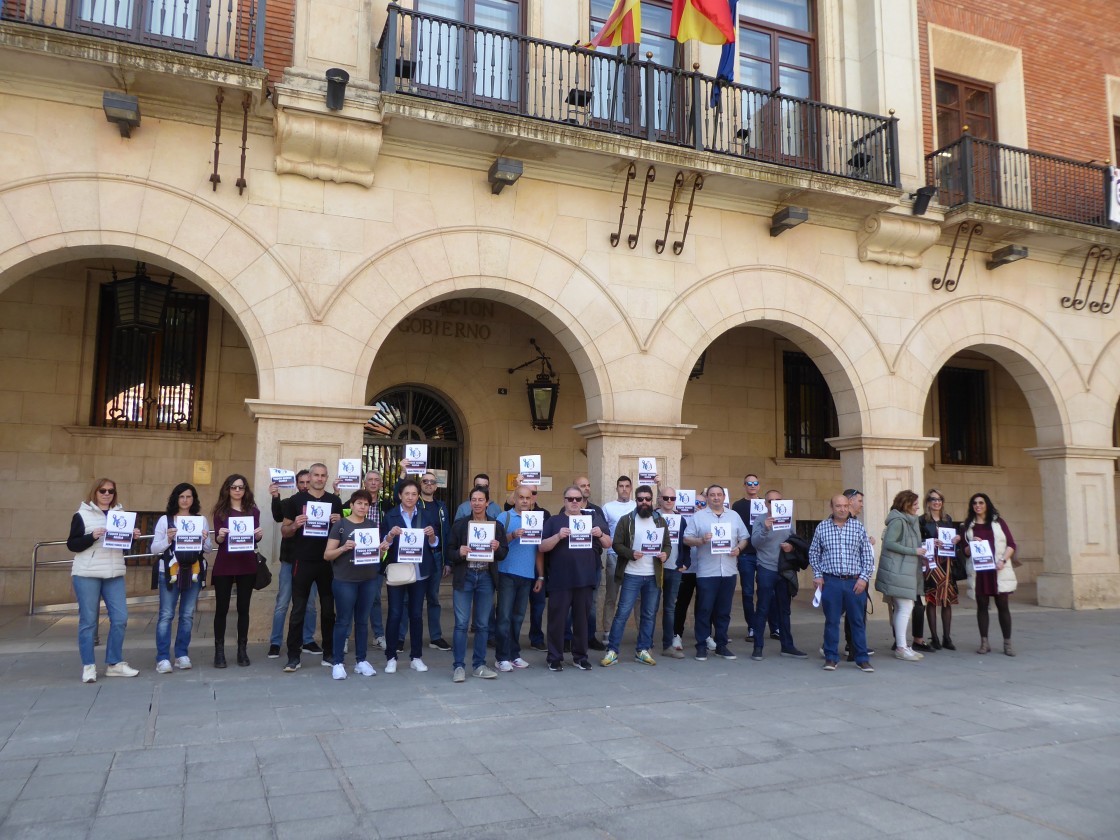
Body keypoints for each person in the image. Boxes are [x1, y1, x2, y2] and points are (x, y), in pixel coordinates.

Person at [66, 478, 142, 683]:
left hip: (114, 572)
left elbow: (123, 547)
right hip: (87, 573)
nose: (107, 494)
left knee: (120, 618)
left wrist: (132, 537)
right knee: (88, 622)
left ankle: (115, 663)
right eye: (102, 490)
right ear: (95, 492)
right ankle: (89, 666)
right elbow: (72, 544)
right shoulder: (81, 515)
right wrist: (91, 536)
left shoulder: (121, 515)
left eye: (110, 491)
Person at [537, 485, 611, 671]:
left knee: (582, 621)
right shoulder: (554, 521)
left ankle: (580, 656)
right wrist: (557, 536)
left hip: (584, 579)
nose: (574, 502)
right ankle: (554, 657)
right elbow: (541, 547)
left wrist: (600, 534)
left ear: (583, 501)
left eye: (578, 499)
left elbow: (609, 543)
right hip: (560, 580)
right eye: (570, 499)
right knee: (557, 621)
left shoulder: (592, 519)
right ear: (564, 501)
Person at [281, 463, 343, 672]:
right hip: (302, 561)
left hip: (327, 562)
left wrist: (339, 522)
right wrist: (295, 525)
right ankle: (293, 657)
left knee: (328, 611)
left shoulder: (334, 501)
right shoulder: (296, 500)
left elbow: (342, 532)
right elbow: (285, 531)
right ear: (310, 476)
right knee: (298, 609)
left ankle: (329, 653)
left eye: (322, 475)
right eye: (315, 475)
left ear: (327, 478)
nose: (318, 478)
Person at [601, 485, 670, 667]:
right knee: (622, 613)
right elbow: (616, 545)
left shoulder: (659, 521)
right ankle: (612, 651)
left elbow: (667, 545)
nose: (644, 502)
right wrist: (630, 553)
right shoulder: (626, 520)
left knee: (648, 614)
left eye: (647, 499)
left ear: (652, 500)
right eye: (641, 499)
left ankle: (643, 650)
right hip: (632, 574)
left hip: (652, 576)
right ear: (636, 500)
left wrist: (665, 554)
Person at [447, 487, 508, 681]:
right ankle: (458, 666)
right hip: (465, 576)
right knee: (461, 624)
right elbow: (449, 551)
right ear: (470, 502)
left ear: (487, 503)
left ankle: (479, 665)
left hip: (485, 577)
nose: (477, 503)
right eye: (474, 499)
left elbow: (503, 553)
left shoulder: (496, 525)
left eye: (481, 500)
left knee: (482, 624)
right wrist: (459, 553)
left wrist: (497, 548)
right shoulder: (459, 525)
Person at [381, 478, 441, 673]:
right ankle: (391, 657)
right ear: (400, 495)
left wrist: (432, 536)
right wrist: (390, 536)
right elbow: (382, 546)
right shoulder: (390, 516)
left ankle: (416, 656)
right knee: (395, 614)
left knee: (416, 614)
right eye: (406, 493)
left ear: (418, 496)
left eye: (414, 494)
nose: (410, 497)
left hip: (420, 571)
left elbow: (434, 544)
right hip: (398, 571)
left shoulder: (425, 514)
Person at [151, 482, 212, 674]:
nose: (185, 500)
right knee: (166, 615)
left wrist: (203, 539)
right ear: (176, 499)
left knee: (187, 614)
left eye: (189, 496)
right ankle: (162, 658)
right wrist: (168, 540)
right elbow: (154, 549)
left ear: (194, 499)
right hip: (168, 571)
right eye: (182, 496)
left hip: (193, 571)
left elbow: (209, 549)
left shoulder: (200, 520)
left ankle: (181, 654)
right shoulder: (165, 520)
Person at [810, 494, 876, 672]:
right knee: (831, 621)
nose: (842, 509)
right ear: (832, 508)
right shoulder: (822, 528)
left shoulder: (858, 527)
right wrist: (817, 575)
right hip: (831, 581)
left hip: (854, 582)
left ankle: (861, 658)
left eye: (845, 506)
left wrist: (864, 578)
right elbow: (814, 553)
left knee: (857, 621)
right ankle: (831, 657)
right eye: (838, 506)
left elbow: (867, 555)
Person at [683, 484, 749, 660]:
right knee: (704, 609)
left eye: (719, 495)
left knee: (724, 611)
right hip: (707, 571)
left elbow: (744, 538)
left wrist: (738, 549)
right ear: (708, 497)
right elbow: (686, 538)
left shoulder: (734, 516)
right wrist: (701, 540)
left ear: (724, 497)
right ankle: (701, 646)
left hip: (728, 571)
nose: (716, 498)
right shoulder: (698, 517)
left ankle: (721, 645)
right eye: (712, 495)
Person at [324, 489, 380, 679]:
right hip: (345, 580)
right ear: (352, 505)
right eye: (359, 503)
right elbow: (327, 554)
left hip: (368, 579)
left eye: (366, 504)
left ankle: (361, 660)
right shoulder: (340, 525)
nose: (363, 507)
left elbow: (376, 555)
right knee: (343, 621)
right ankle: (338, 662)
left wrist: (382, 547)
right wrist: (343, 547)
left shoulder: (372, 525)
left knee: (363, 622)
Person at [211, 474, 263, 668]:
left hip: (246, 563)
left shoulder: (253, 511)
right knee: (222, 609)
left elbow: (253, 539)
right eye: (234, 487)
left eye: (241, 487)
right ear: (228, 489)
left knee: (243, 608)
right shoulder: (220, 512)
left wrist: (258, 535)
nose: (238, 491)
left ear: (245, 490)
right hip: (225, 563)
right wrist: (221, 536)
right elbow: (218, 540)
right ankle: (219, 652)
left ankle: (242, 650)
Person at [747, 490, 804, 660]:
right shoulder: (760, 519)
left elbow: (795, 541)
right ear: (766, 504)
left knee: (784, 610)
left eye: (778, 500)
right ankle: (758, 647)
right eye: (771, 501)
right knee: (763, 608)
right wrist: (765, 528)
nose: (775, 503)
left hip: (784, 569)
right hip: (766, 568)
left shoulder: (788, 519)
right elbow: (755, 543)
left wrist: (791, 547)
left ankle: (787, 646)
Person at [267, 469, 317, 658]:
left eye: (307, 482)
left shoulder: (319, 504)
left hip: (311, 561)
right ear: (296, 484)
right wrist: (275, 496)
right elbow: (278, 516)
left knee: (311, 603)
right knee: (283, 602)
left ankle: (308, 640)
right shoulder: (290, 502)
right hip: (289, 560)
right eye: (301, 482)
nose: (305, 485)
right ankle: (275, 642)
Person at [961, 493, 1018, 656]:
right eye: (974, 503)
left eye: (981, 502)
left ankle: (1007, 643)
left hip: (997, 570)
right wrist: (972, 544)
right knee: (982, 607)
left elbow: (1011, 544)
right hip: (980, 572)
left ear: (987, 505)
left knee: (1003, 606)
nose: (977, 505)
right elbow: (964, 551)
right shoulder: (968, 526)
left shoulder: (998, 523)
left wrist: (1003, 561)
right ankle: (984, 642)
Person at [874, 490, 927, 663]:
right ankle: (901, 647)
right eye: (915, 504)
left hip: (903, 571)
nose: (918, 507)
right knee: (905, 608)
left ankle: (902, 645)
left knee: (902, 608)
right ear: (906, 504)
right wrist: (914, 551)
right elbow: (889, 543)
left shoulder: (910, 521)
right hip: (898, 572)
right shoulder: (898, 521)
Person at [494, 484, 539, 671]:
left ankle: (514, 654)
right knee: (504, 616)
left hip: (527, 574)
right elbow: (495, 542)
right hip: (506, 573)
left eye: (528, 498)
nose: (525, 501)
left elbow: (538, 550)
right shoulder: (504, 517)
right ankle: (501, 657)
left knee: (518, 617)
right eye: (521, 497)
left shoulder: (536, 519)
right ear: (514, 498)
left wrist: (540, 576)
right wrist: (512, 535)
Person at [731, 474, 779, 642]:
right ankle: (752, 627)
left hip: (765, 554)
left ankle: (775, 627)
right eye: (749, 483)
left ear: (759, 486)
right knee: (748, 592)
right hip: (747, 554)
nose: (752, 485)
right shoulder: (737, 505)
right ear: (744, 485)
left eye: (755, 483)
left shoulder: (769, 505)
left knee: (769, 591)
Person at [597, 476, 636, 648]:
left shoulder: (637, 505)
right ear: (617, 488)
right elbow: (603, 531)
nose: (624, 489)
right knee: (611, 596)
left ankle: (642, 633)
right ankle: (607, 631)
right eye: (621, 486)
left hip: (635, 557)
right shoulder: (608, 507)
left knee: (638, 598)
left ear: (631, 488)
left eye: (627, 486)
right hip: (614, 555)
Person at [918, 489, 960, 650]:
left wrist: (957, 538)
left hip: (946, 563)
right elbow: (917, 540)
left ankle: (947, 638)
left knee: (946, 600)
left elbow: (953, 537)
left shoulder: (947, 519)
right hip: (930, 564)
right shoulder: (922, 520)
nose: (937, 502)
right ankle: (934, 637)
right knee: (932, 600)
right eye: (933, 499)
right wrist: (930, 541)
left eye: (940, 499)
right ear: (928, 502)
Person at [654, 484, 690, 659]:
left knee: (669, 608)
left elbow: (685, 543)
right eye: (665, 498)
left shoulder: (681, 519)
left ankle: (668, 645)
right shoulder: (652, 516)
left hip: (674, 569)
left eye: (672, 498)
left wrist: (685, 563)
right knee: (650, 608)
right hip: (654, 569)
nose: (669, 501)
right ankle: (646, 644)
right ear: (659, 498)